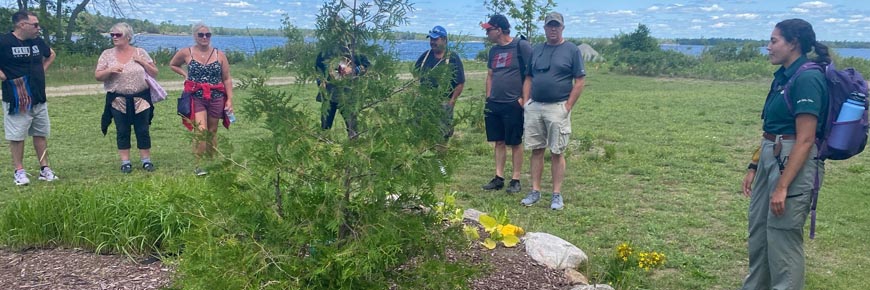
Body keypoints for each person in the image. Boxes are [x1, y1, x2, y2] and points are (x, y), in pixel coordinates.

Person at [740, 18, 829, 290]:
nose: (768, 47)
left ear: (793, 44)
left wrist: (782, 187)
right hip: (771, 154)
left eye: (774, 41)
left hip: (792, 163)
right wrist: (754, 165)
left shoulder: (808, 78)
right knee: (759, 235)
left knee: (782, 239)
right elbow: (771, 128)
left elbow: (805, 139)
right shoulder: (783, 77)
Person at [520, 12, 586, 210]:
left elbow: (580, 80)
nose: (553, 29)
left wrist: (568, 106)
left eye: (556, 26)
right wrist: (526, 102)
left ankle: (556, 194)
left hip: (558, 107)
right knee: (536, 149)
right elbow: (529, 77)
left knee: (557, 151)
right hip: (535, 106)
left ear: (563, 27)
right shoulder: (537, 49)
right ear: (545, 28)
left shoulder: (572, 50)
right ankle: (535, 191)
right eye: (550, 26)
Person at [0, 11, 58, 186]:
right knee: (17, 136)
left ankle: (44, 169)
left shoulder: (37, 41)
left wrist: (41, 70)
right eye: (35, 25)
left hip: (38, 96)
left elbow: (51, 54)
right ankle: (19, 171)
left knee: (40, 133)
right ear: (21, 25)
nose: (38, 28)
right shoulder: (4, 42)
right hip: (17, 98)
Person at [169, 23, 235, 176]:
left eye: (208, 35)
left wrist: (229, 99)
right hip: (196, 96)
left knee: (212, 131)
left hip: (216, 96)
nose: (205, 37)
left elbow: (227, 78)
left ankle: (211, 162)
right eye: (201, 35)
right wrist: (185, 74)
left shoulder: (220, 55)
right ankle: (198, 165)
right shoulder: (187, 52)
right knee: (201, 131)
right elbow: (173, 64)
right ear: (195, 36)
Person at [95, 22, 159, 174]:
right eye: (112, 35)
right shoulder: (107, 54)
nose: (114, 37)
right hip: (118, 99)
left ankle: (146, 161)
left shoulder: (140, 52)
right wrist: (110, 70)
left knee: (142, 129)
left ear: (128, 37)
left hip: (141, 98)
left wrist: (142, 61)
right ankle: (125, 162)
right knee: (122, 130)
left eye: (118, 35)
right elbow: (98, 75)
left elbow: (154, 73)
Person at [480, 14, 532, 194]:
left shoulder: (521, 46)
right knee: (499, 141)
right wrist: (488, 97)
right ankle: (498, 177)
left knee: (515, 142)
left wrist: (524, 98)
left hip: (513, 103)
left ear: (499, 30)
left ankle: (516, 179)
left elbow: (530, 74)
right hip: (494, 103)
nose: (487, 33)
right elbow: (490, 75)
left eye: (489, 29)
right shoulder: (493, 51)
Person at [414, 25, 465, 142]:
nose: (432, 42)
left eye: (435, 39)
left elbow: (460, 83)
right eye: (431, 39)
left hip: (443, 103)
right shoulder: (425, 56)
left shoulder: (452, 58)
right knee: (420, 134)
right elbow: (415, 74)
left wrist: (452, 102)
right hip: (424, 101)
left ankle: (441, 158)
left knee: (442, 136)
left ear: (444, 40)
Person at [316, 45, 370, 139]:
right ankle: (323, 149)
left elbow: (366, 65)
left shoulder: (354, 50)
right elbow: (318, 68)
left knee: (352, 129)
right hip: (329, 95)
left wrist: (354, 70)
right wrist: (321, 81)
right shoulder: (326, 51)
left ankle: (354, 149)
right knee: (325, 129)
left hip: (348, 96)